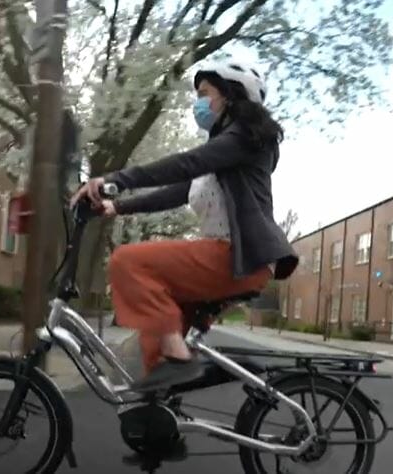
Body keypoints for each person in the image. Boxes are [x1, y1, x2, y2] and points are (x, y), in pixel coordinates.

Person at [70, 59, 299, 391]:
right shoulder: (223, 155)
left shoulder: (244, 139)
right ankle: (159, 410)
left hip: (237, 256)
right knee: (155, 338)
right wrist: (116, 206)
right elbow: (177, 191)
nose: (198, 103)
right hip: (229, 257)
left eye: (205, 94)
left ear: (230, 95)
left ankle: (180, 359)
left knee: (128, 261)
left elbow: (187, 164)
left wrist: (116, 179)